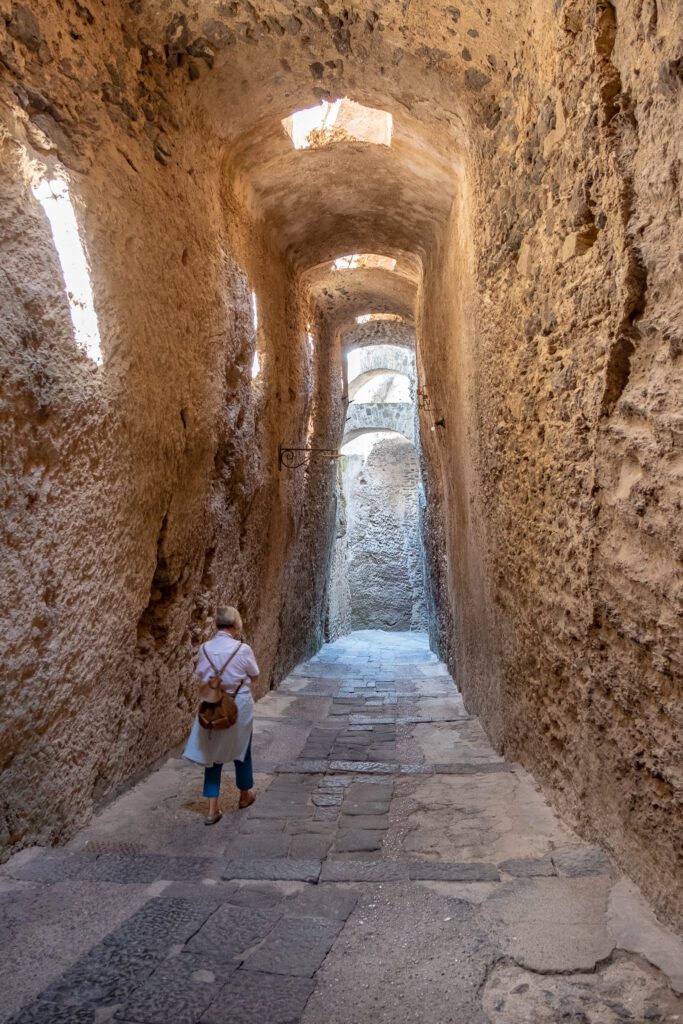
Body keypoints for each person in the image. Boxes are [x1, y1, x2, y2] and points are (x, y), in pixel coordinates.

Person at [183, 606, 260, 825]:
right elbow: (254, 676)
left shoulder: (205, 648)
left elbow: (200, 674)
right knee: (242, 749)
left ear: (216, 624)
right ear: (236, 625)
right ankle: (245, 795)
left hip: (214, 704)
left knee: (212, 755)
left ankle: (212, 809)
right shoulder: (243, 650)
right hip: (239, 704)